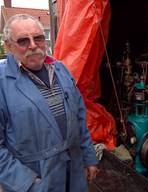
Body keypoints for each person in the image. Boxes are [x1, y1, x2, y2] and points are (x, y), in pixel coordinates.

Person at [0, 14, 98, 192]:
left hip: (74, 172)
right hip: (36, 180)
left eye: (38, 38)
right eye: (23, 41)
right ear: (9, 46)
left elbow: (80, 119)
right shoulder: (2, 82)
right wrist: (27, 183)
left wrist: (89, 157)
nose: (32, 45)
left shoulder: (60, 69)